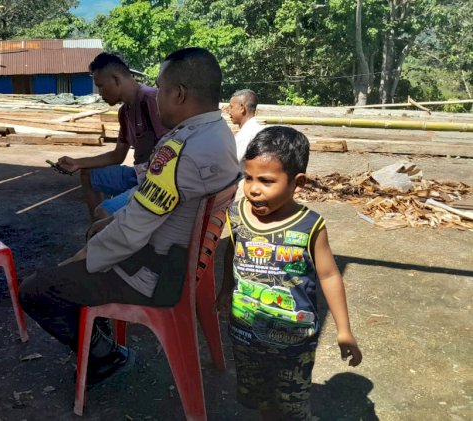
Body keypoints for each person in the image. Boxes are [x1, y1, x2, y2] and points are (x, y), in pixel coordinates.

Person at [19, 47, 239, 388]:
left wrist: (85, 257)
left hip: (153, 275)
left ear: (179, 94)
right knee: (100, 229)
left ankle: (107, 355)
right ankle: (97, 328)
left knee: (36, 289)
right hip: (178, 262)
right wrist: (104, 230)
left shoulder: (179, 147)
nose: (158, 97)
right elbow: (146, 207)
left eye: (163, 90)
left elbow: (133, 230)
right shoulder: (219, 134)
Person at [224, 126, 363, 420]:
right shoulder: (236, 214)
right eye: (248, 177)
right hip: (245, 335)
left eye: (266, 180)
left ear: (297, 182)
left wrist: (343, 330)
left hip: (293, 344)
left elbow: (329, 275)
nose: (253, 188)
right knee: (261, 399)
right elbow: (232, 252)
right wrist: (225, 289)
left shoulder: (309, 225)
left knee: (292, 407)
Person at [56, 53, 169, 221]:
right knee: (88, 173)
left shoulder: (151, 100)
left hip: (157, 184)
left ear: (116, 79)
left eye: (100, 86)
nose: (100, 93)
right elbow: (117, 156)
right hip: (139, 176)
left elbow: (173, 153)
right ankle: (100, 232)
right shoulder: (124, 112)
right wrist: (78, 163)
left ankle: (103, 233)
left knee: (104, 212)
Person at [225, 89, 264, 162]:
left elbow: (231, 164)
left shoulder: (245, 135)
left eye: (231, 107)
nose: (229, 111)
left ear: (242, 108)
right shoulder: (260, 130)